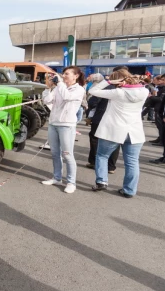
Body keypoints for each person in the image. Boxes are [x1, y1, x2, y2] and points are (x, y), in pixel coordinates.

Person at [90, 69, 149, 198]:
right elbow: (142, 84)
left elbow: (92, 91)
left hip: (113, 130)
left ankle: (101, 181)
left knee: (102, 155)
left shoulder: (117, 92)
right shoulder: (144, 91)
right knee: (132, 162)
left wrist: (108, 81)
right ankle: (129, 190)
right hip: (135, 131)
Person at [40, 66, 86, 194]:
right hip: (53, 123)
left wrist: (59, 83)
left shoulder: (79, 89)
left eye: (67, 74)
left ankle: (71, 182)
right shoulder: (59, 87)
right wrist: (48, 87)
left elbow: (67, 97)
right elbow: (46, 100)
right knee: (55, 153)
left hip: (67, 125)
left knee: (67, 154)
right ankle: (57, 178)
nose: (64, 76)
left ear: (75, 76)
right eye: (63, 74)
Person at [85, 72, 119, 174]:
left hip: (101, 117)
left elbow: (92, 102)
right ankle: (111, 166)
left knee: (95, 139)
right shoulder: (128, 90)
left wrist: (89, 114)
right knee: (114, 142)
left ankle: (94, 162)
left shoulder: (107, 88)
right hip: (117, 120)